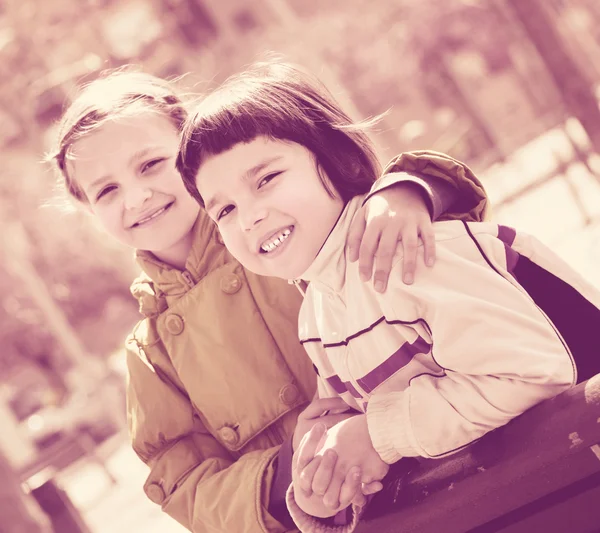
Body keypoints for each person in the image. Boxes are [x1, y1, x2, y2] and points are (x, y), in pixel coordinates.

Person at [49, 68, 489, 533]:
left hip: (451, 453)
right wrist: (293, 474)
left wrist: (408, 192)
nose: (136, 196)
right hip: (331, 518)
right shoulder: (150, 355)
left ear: (190, 149)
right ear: (86, 210)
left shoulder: (278, 232)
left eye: (150, 165)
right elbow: (180, 482)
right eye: (106, 190)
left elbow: (359, 196)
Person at [180, 61, 600, 533]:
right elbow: (358, 421)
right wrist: (328, 469)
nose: (250, 216)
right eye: (226, 210)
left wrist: (378, 436)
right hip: (528, 496)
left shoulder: (404, 251)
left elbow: (534, 373)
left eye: (265, 179)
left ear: (339, 161)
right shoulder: (318, 311)